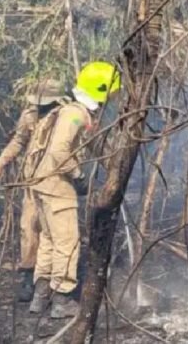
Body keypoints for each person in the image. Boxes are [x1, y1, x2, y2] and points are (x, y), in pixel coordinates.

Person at [28, 61, 121, 319]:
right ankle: (62, 300)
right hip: (57, 186)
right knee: (67, 243)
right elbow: (60, 150)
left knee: (49, 240)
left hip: (42, 184)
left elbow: (93, 143)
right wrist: (78, 176)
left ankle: (40, 296)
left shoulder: (69, 110)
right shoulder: (76, 114)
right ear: (100, 91)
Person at [0, 78, 68, 302]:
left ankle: (55, 285)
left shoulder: (68, 114)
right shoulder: (29, 115)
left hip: (59, 182)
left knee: (56, 234)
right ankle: (29, 277)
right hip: (32, 182)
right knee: (29, 229)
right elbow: (18, 141)